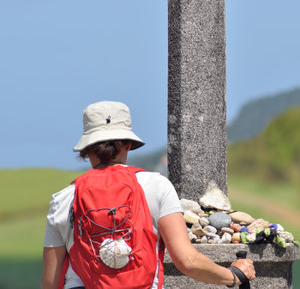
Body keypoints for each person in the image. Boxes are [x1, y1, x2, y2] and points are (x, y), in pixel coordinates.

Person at [42, 101, 255, 289]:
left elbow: (50, 283)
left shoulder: (63, 199)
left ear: (87, 149)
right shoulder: (157, 186)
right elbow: (187, 261)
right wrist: (233, 275)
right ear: (128, 144)